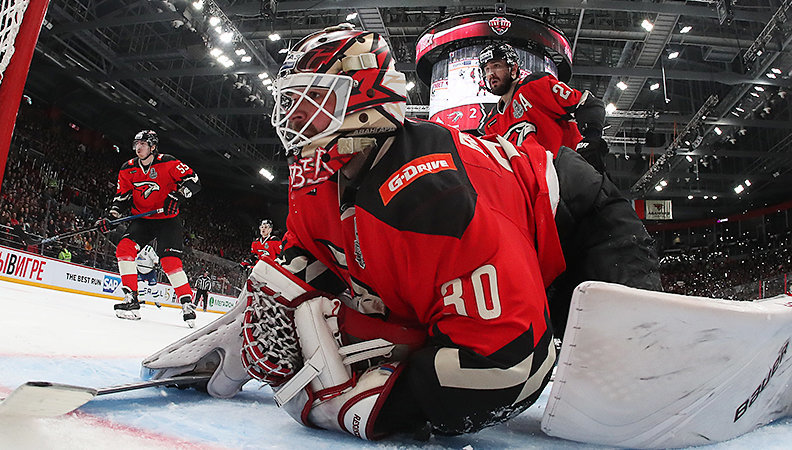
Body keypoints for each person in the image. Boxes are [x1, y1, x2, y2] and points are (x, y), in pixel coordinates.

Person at [144, 24, 560, 441]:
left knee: (600, 397)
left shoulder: (431, 196)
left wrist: (370, 406)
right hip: (504, 222)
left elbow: (513, 363)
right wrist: (250, 323)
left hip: (567, 216)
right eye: (290, 102)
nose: (296, 117)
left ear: (366, 100)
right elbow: (310, 261)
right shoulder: (315, 176)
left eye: (314, 100)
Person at [479, 42, 661, 336]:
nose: (492, 74)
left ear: (513, 68)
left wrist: (590, 143)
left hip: (574, 185)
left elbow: (589, 105)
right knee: (562, 297)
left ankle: (651, 327)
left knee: (620, 257)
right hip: (543, 216)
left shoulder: (535, 85)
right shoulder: (490, 124)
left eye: (497, 66)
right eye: (487, 69)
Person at [97, 130, 200, 325]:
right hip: (142, 219)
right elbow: (121, 197)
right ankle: (131, 299)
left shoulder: (168, 162)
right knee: (124, 248)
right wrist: (110, 217)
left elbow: (194, 182)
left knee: (169, 261)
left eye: (143, 144)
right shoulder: (128, 168)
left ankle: (187, 302)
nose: (138, 147)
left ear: (152, 147)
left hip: (167, 219)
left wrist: (177, 197)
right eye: (136, 144)